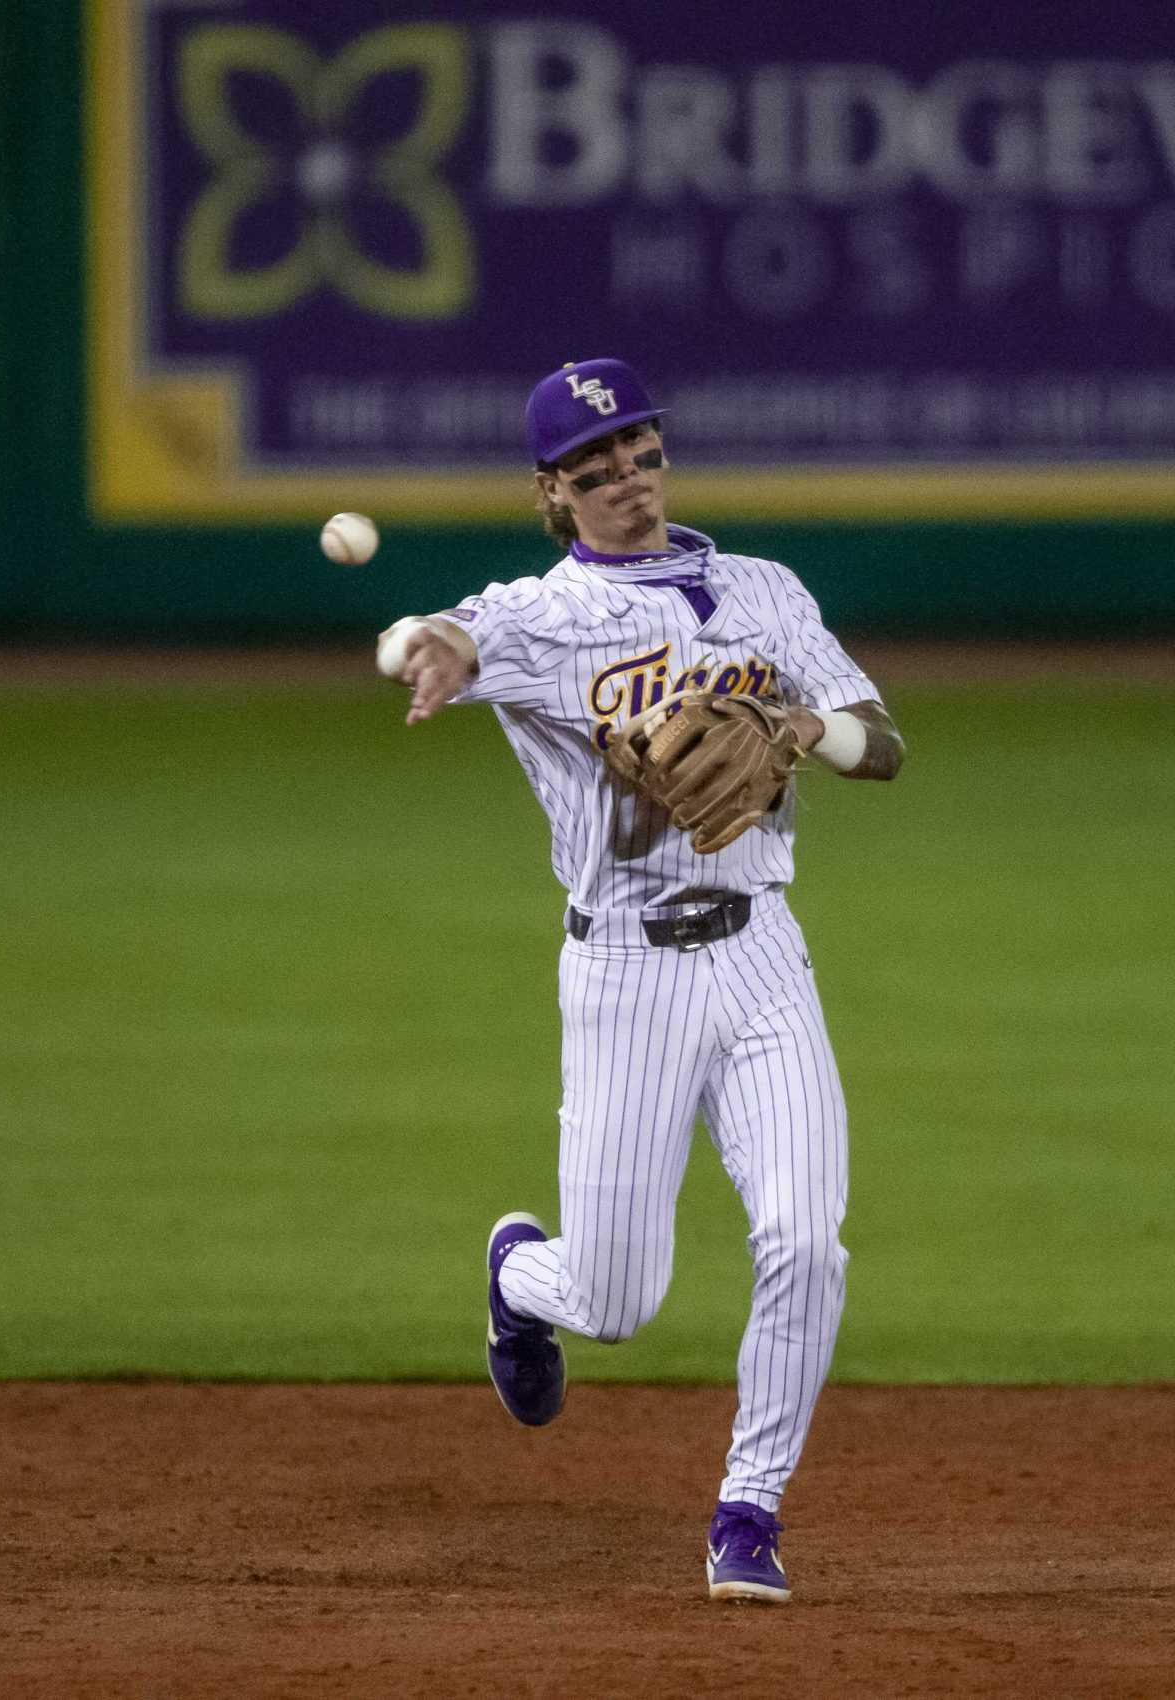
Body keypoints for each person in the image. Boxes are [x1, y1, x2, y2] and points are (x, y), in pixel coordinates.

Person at [378, 358, 905, 1604]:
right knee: (615, 1300)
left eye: (642, 456)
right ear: (552, 492)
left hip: (765, 952)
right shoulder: (544, 616)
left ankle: (748, 1511)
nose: (627, 482)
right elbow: (436, 630)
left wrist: (800, 730)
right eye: (594, 471)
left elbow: (880, 745)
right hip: (625, 974)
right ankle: (517, 1274)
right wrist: (432, 646)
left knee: (806, 1241)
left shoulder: (766, 591)